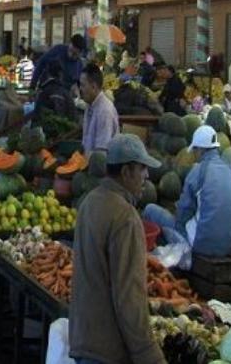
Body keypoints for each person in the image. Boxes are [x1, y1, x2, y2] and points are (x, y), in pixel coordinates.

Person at [70, 134, 165, 364]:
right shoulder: (125, 217)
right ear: (126, 172)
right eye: (142, 169)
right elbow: (129, 297)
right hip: (107, 349)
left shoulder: (90, 201)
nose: (146, 176)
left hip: (83, 338)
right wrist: (149, 354)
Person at [143, 125, 231, 258]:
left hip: (199, 245)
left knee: (150, 210)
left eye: (195, 151)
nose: (195, 155)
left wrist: (178, 233)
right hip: (228, 246)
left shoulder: (198, 171)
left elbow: (184, 212)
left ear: (200, 149)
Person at [80, 63, 119, 153]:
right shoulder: (90, 105)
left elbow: (101, 152)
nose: (80, 89)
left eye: (83, 85)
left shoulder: (105, 111)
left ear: (93, 87)